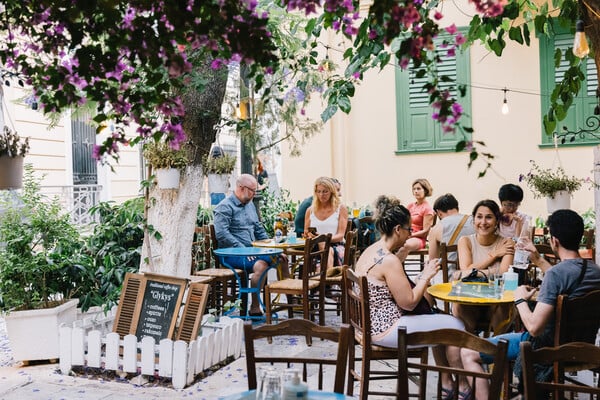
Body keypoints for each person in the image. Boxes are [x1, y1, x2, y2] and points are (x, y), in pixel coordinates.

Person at [461, 209, 600, 399]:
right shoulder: (594, 270)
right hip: (583, 347)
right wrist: (537, 259)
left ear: (554, 241)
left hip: (546, 350)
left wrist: (519, 299)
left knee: (468, 353)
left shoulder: (555, 275)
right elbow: (566, 280)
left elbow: (534, 328)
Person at [354, 195, 468, 399]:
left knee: (440, 322)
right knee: (455, 326)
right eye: (409, 229)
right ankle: (463, 387)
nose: (410, 234)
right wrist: (426, 276)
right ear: (398, 229)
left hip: (370, 324)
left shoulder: (370, 251)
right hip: (386, 328)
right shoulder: (389, 261)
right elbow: (408, 303)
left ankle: (447, 382)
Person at [213, 174, 289, 316]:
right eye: (253, 190)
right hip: (232, 254)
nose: (255, 194)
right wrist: (244, 250)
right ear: (241, 188)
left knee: (282, 258)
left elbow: (258, 229)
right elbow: (222, 234)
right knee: (261, 265)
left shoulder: (250, 205)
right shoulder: (224, 207)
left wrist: (272, 249)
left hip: (253, 251)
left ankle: (292, 299)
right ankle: (255, 306)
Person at [454, 199, 515, 333]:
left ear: (497, 221)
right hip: (469, 299)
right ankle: (469, 349)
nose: (483, 222)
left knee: (506, 306)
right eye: (479, 217)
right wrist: (495, 255)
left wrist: (475, 271)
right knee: (458, 305)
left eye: (489, 217)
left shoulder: (507, 243)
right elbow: (466, 271)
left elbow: (504, 274)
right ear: (473, 220)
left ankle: (495, 348)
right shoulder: (465, 241)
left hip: (497, 302)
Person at [304, 177, 348, 267]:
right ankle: (327, 277)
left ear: (331, 192)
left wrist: (323, 238)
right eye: (318, 191)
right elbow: (306, 232)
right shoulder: (310, 210)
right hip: (314, 246)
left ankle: (324, 277)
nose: (321, 195)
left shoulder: (340, 208)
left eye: (325, 191)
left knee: (325, 247)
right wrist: (309, 235)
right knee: (322, 246)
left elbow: (340, 236)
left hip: (336, 245)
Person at [427, 193, 475, 270]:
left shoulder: (436, 228)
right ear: (457, 208)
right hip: (476, 270)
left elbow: (433, 262)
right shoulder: (475, 221)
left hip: (450, 275)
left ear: (439, 212)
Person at [404, 178, 435, 252]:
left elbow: (425, 232)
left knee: (403, 246)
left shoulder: (427, 209)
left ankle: (395, 263)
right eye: (414, 189)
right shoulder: (410, 206)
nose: (416, 191)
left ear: (425, 190)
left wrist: (410, 235)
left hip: (418, 239)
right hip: (407, 236)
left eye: (418, 189)